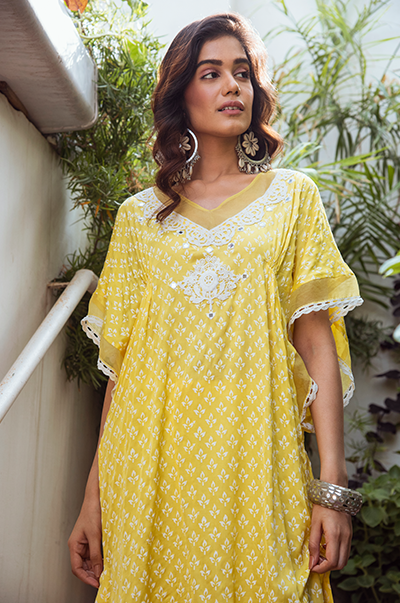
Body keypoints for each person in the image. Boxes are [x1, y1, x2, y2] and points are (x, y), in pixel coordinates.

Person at [68, 13, 364, 603]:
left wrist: (331, 490)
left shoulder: (292, 199)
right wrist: (92, 499)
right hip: (150, 469)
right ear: (181, 93)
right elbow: (123, 373)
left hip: (260, 463)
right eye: (211, 73)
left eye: (242, 73)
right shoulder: (139, 218)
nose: (232, 86)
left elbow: (316, 346)